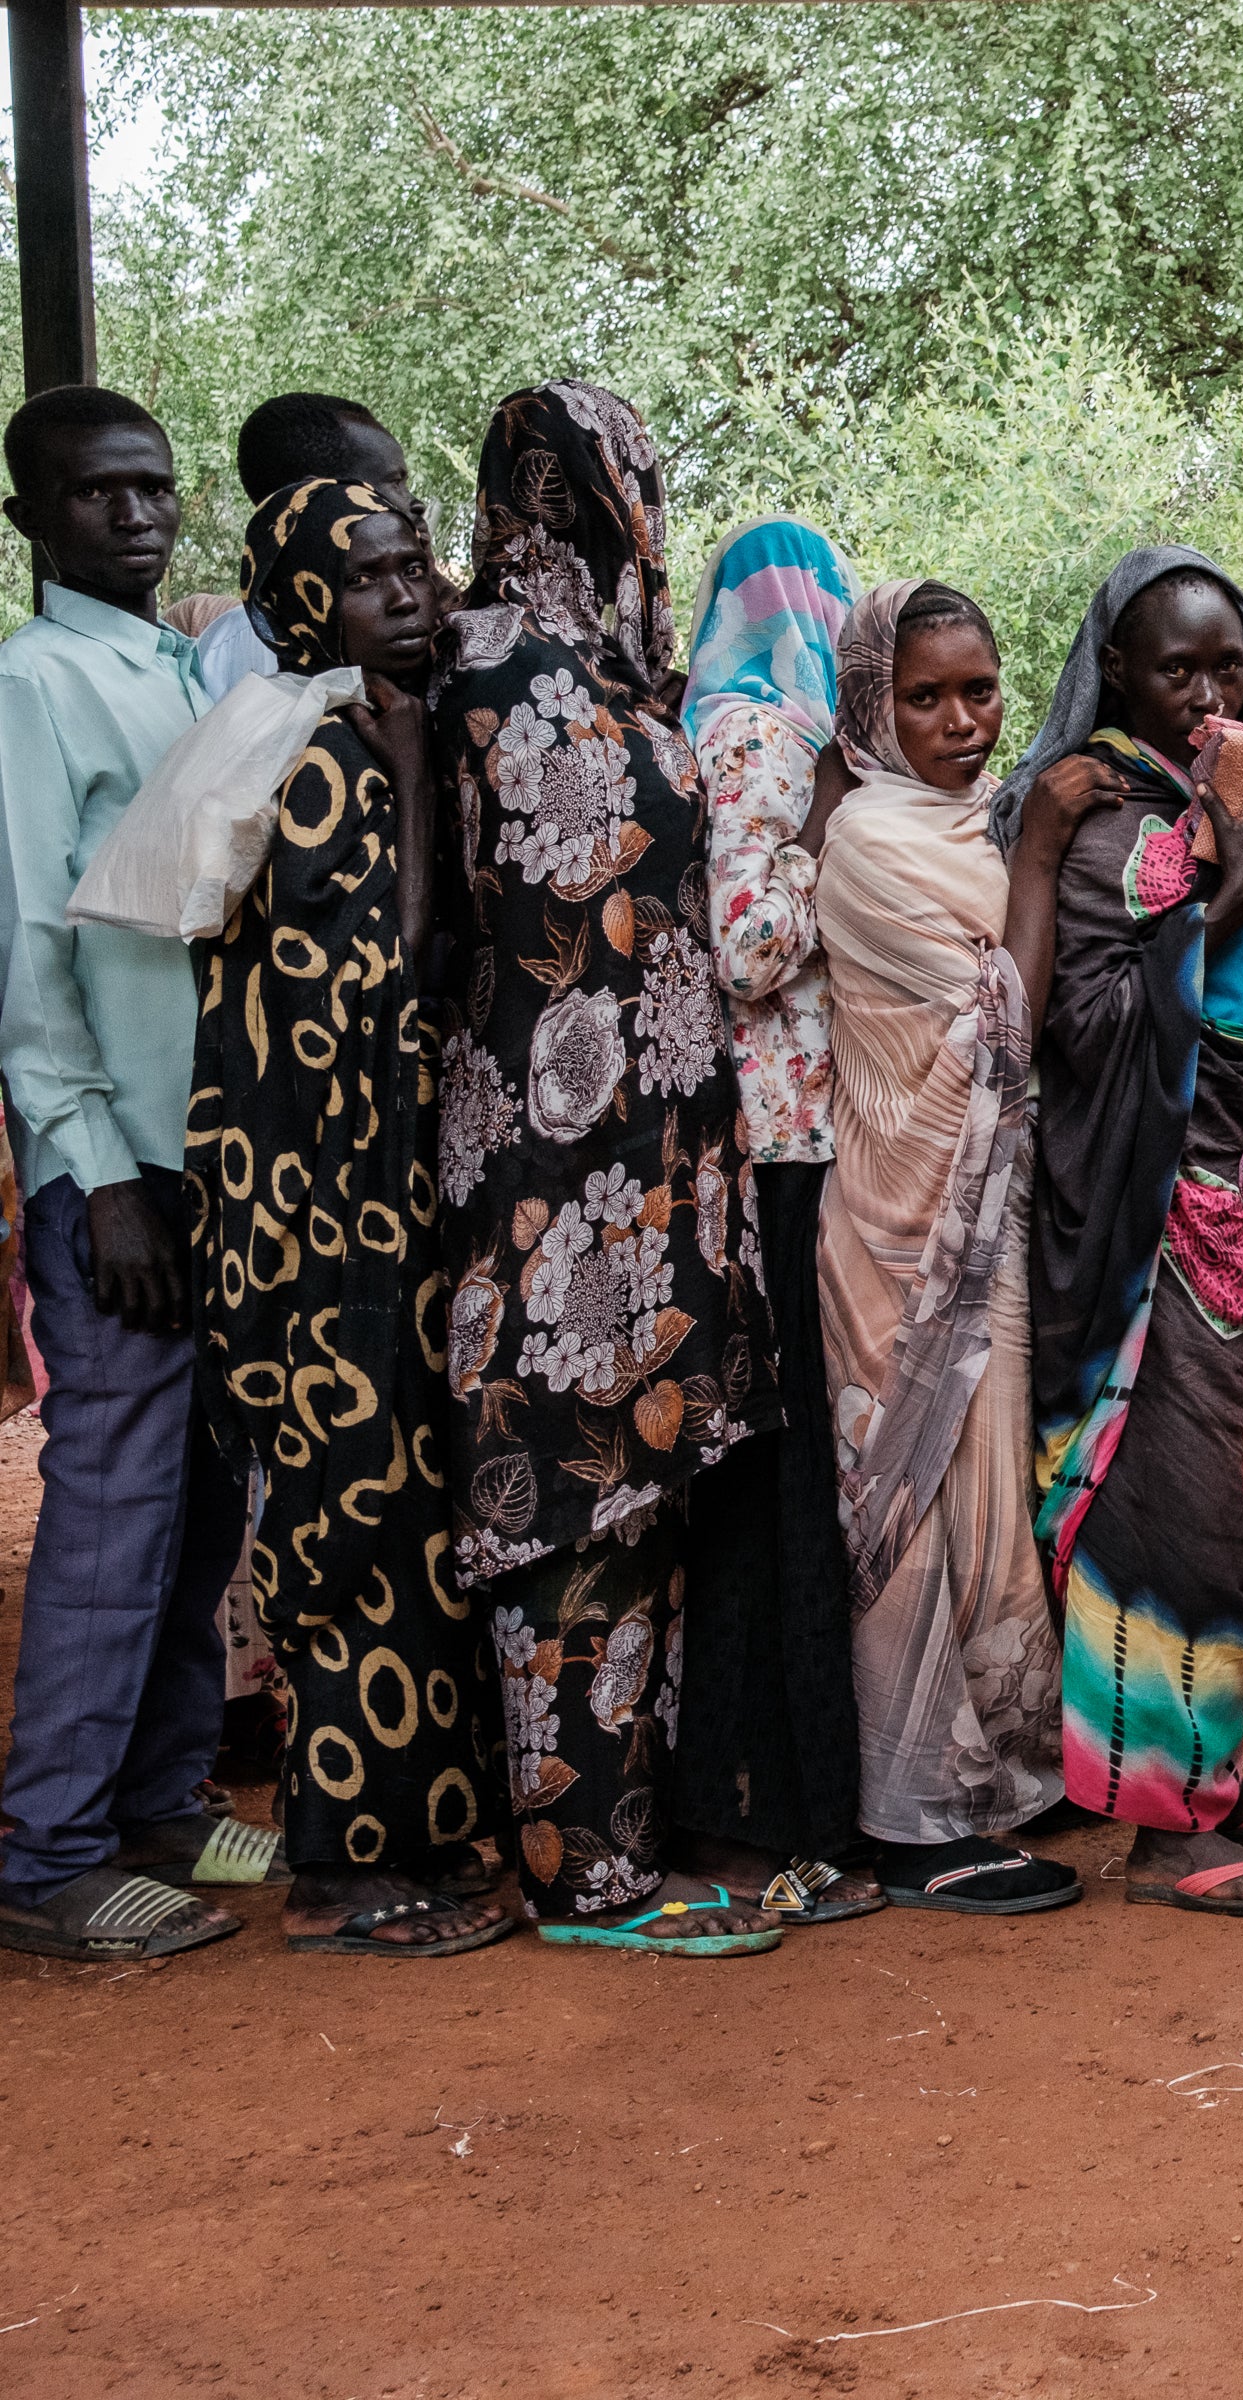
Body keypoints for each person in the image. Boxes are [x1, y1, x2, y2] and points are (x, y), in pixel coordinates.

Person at [432, 381, 781, 1957]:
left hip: (665, 1156)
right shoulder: (461, 663)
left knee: (641, 1494)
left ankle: (624, 1839)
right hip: (533, 1156)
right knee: (551, 1494)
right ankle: (574, 1863)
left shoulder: (637, 683)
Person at [190, 477, 518, 1957]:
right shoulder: (318, 755)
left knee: (416, 1524)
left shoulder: (383, 735)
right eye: (372, 576)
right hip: (314, 1217)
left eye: (417, 566)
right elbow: (382, 981)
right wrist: (400, 774)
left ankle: (427, 1835)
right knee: (345, 1528)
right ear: (302, 601)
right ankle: (337, 1863)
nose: (410, 594)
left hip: (380, 1210)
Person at [1015, 545, 1243, 1920]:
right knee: (1169, 1508)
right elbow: (1090, 1025)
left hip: (1224, 1200)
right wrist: (1242, 857)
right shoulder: (1114, 824)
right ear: (1117, 677)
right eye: (1175, 668)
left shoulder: (1192, 806)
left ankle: (1197, 1767)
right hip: (1147, 1227)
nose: (1208, 692)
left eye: (1227, 665)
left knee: (1229, 1502)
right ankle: (1163, 1827)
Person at [0, 387, 255, 1960]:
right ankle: (48, 1854)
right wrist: (94, 1172)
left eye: (155, 489)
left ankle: (160, 1800)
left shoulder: (181, 669)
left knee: (200, 1506)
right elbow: (32, 954)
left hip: (212, 1157)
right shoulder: (36, 688)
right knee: (110, 1512)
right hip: (121, 1171)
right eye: (100, 496)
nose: (139, 516)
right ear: (33, 520)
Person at [816, 575, 1087, 1914]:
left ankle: (1007, 1781)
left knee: (989, 1499)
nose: (963, 721)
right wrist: (1038, 858)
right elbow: (1004, 1021)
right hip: (901, 1230)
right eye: (924, 698)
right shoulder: (871, 837)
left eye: (980, 690)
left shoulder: (967, 824)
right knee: (913, 1504)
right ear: (874, 703)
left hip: (986, 1217)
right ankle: (915, 1817)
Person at [672, 517, 878, 1925]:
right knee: (784, 1471)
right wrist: (820, 831)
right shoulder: (757, 737)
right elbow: (748, 950)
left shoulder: (778, 722)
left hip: (804, 1137)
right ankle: (780, 1797)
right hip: (781, 1145)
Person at [194, 393, 434, 702]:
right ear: (314, 494)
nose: (416, 503)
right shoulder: (229, 659)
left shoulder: (436, 626)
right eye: (394, 482)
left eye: (412, 571)